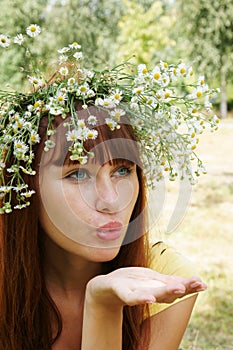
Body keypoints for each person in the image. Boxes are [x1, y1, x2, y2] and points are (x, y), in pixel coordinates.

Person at [0, 24, 219, 350]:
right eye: (77, 174)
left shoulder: (163, 280)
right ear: (26, 187)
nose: (110, 200)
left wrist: (103, 305)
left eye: (121, 169)